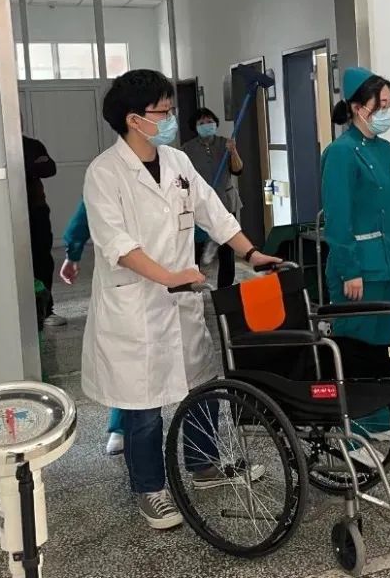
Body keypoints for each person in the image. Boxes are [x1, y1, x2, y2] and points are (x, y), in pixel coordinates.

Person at [81, 69, 280, 530]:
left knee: (202, 387)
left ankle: (204, 465)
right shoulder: (104, 173)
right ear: (134, 119)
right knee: (143, 408)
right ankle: (150, 489)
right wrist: (170, 277)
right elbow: (118, 246)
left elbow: (214, 212)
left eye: (171, 109)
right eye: (163, 111)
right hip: (136, 306)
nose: (172, 118)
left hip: (181, 299)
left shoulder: (176, 161)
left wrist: (251, 252)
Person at [321, 67, 390, 464]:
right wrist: (349, 270)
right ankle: (350, 433)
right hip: (359, 270)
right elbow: (337, 217)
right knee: (355, 351)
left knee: (382, 349)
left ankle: (378, 419)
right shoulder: (341, 153)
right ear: (358, 107)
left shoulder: (386, 150)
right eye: (381, 105)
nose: (387, 112)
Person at [59, 200, 125, 457]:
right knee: (132, 360)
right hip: (136, 280)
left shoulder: (107, 181)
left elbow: (82, 217)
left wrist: (72, 255)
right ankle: (121, 427)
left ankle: (121, 427)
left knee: (129, 360)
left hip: (130, 280)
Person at [181, 107, 243, 288]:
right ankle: (195, 287)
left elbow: (238, 169)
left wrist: (233, 151)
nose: (206, 125)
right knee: (196, 248)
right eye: (202, 123)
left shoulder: (226, 144)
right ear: (195, 127)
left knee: (227, 248)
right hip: (200, 204)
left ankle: (225, 290)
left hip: (225, 202)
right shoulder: (187, 149)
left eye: (209, 122)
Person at [23, 134, 66, 327]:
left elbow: (49, 168)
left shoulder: (32, 145)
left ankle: (46, 310)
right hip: (6, 211)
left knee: (42, 260)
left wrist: (28, 168)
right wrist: (31, 167)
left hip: (36, 209)